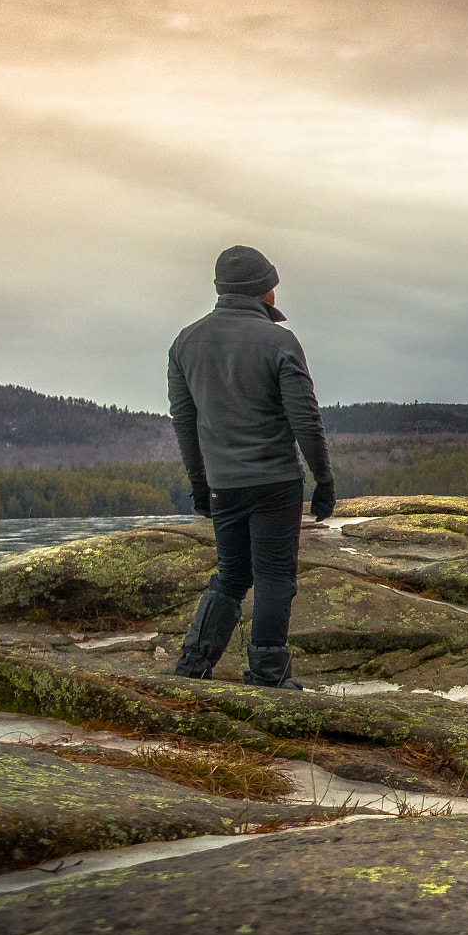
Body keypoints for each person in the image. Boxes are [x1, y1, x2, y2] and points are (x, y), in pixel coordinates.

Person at [167, 245, 334, 688]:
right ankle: (267, 675)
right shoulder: (280, 341)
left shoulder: (185, 342)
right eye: (273, 284)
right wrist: (323, 478)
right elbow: (305, 418)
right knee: (275, 576)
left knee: (232, 575)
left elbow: (185, 422)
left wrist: (200, 484)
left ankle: (191, 668)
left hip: (224, 483)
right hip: (277, 481)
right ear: (264, 290)